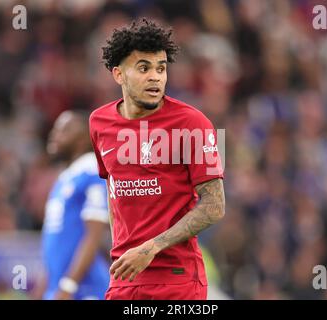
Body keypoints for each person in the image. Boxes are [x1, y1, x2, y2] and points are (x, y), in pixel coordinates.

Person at [89, 18, 225, 300]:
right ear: (118, 75)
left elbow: (215, 206)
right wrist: (123, 251)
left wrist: (150, 247)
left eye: (161, 68)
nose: (156, 77)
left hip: (176, 280)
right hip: (124, 279)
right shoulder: (98, 122)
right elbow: (112, 189)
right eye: (144, 68)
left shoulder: (194, 122)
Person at [41, 110, 110, 300]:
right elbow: (56, 242)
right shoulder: (65, 177)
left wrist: (69, 285)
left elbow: (94, 234)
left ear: (82, 140)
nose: (54, 135)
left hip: (84, 289)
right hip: (60, 285)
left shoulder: (90, 172)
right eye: (54, 130)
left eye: (63, 131)